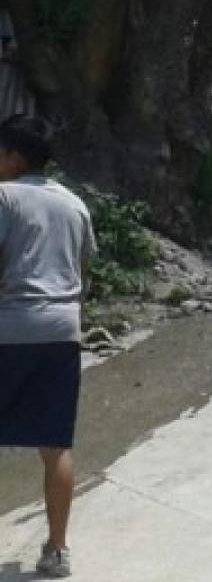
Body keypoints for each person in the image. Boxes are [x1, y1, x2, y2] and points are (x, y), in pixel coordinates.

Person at [0, 115, 97, 578]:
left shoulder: (3, 196)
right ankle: (57, 551)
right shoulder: (74, 204)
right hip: (62, 330)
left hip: (10, 327)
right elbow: (84, 272)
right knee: (55, 444)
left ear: (15, 157)